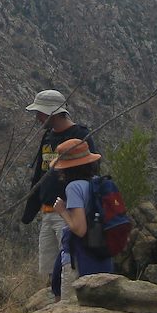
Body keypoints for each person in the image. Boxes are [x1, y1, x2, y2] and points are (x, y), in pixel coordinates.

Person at [20, 89, 95, 294]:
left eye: (40, 113)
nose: (37, 117)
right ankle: (55, 301)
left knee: (69, 265)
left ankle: (69, 303)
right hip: (47, 212)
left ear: (52, 113)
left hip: (69, 212)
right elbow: (40, 175)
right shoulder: (47, 137)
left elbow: (91, 171)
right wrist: (29, 212)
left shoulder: (79, 135)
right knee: (50, 270)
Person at [51, 138, 115, 302]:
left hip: (79, 258)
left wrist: (62, 211)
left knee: (69, 307)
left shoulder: (74, 187)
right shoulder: (97, 183)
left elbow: (79, 229)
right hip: (101, 253)